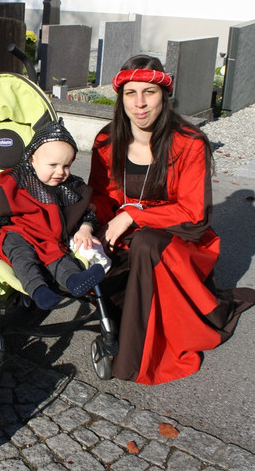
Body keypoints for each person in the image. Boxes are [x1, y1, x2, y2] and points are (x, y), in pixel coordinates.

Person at [88, 54, 255, 384]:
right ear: (121, 98)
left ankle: (139, 356)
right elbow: (100, 195)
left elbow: (193, 214)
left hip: (177, 238)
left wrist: (133, 215)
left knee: (147, 244)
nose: (139, 104)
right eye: (131, 93)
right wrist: (90, 223)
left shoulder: (188, 142)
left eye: (149, 93)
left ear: (164, 96)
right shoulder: (107, 141)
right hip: (125, 235)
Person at [0, 120, 106, 310]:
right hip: (17, 233)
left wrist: (85, 229)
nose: (60, 172)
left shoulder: (70, 187)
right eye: (53, 164)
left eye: (67, 166)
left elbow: (86, 213)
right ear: (32, 160)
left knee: (59, 256)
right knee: (21, 255)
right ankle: (38, 290)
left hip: (49, 238)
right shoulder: (17, 180)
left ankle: (74, 280)